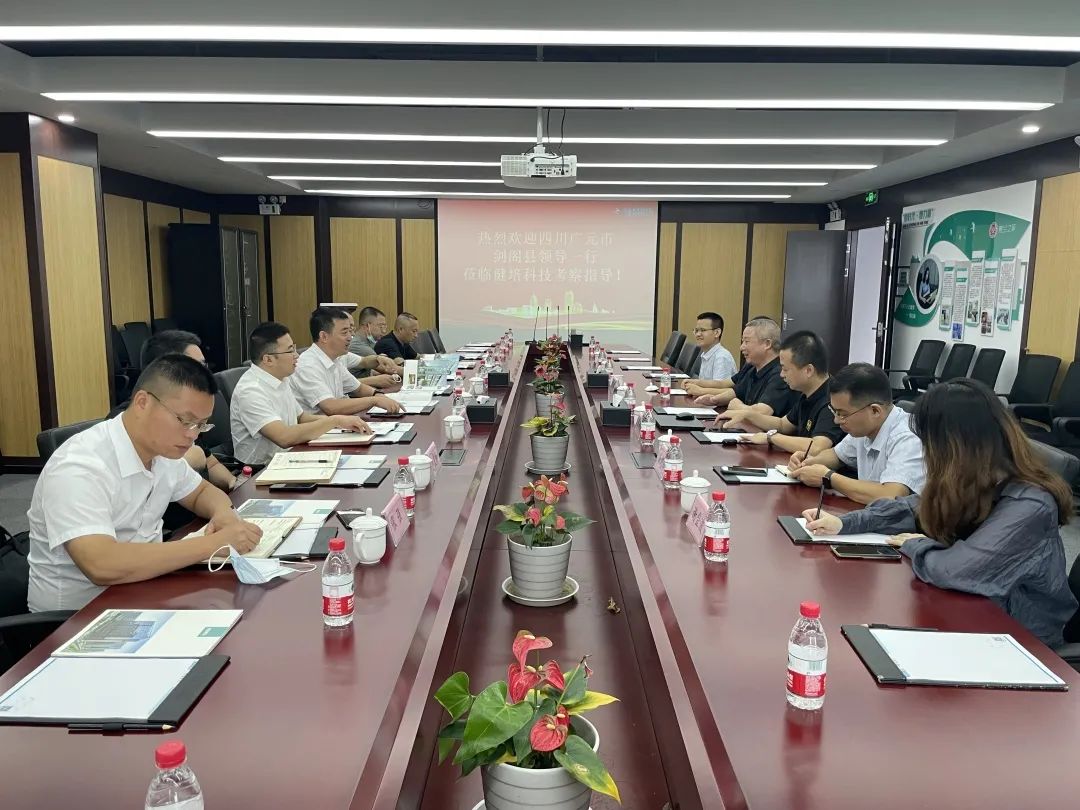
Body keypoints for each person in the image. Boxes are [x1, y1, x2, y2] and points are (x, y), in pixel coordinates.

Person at [803, 379, 1076, 647]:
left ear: (955, 444)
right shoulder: (971, 477)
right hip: (971, 610)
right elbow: (911, 507)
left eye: (930, 443)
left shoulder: (1030, 504)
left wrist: (916, 544)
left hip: (1021, 637)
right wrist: (844, 523)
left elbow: (955, 570)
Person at [26, 355, 264, 612]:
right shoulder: (79, 466)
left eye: (201, 425)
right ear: (142, 402)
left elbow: (201, 492)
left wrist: (224, 514)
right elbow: (101, 564)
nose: (192, 435)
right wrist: (213, 544)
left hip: (145, 590)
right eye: (185, 421)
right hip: (80, 617)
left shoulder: (163, 450)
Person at [231, 322, 374, 466]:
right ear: (268, 359)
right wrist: (334, 421)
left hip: (291, 457)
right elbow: (283, 437)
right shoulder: (250, 391)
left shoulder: (281, 377)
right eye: (290, 351)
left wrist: (342, 423)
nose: (297, 355)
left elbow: (300, 418)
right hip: (262, 469)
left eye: (294, 348)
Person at [111, 329, 236, 492]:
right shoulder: (124, 418)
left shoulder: (189, 412)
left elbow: (210, 463)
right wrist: (192, 458)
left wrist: (234, 484)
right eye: (196, 367)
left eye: (204, 365)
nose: (204, 374)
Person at [788, 363, 925, 504]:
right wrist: (808, 462)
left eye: (843, 414)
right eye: (835, 412)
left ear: (875, 411)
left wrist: (828, 477)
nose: (836, 420)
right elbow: (836, 455)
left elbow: (891, 495)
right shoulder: (865, 427)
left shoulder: (908, 438)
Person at [715, 330, 845, 456]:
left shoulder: (833, 399)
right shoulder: (807, 393)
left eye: (785, 369)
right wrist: (748, 415)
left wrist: (771, 437)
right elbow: (783, 424)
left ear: (808, 370)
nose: (781, 374)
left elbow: (817, 447)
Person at [290, 307, 404, 416]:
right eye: (344, 333)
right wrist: (374, 400)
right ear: (324, 336)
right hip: (322, 426)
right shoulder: (307, 365)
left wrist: (379, 395)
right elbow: (331, 407)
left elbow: (358, 389)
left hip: (341, 421)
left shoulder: (335, 359)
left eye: (350, 331)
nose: (350, 337)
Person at [685, 317, 796, 416]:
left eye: (746, 341)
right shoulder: (752, 367)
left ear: (767, 344)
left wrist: (737, 406)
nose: (741, 347)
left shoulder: (780, 374)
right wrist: (714, 400)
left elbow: (762, 412)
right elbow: (735, 392)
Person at [687, 312, 738, 383]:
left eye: (703, 330)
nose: (698, 334)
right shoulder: (706, 353)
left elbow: (719, 388)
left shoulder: (722, 357)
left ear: (717, 333)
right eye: (696, 330)